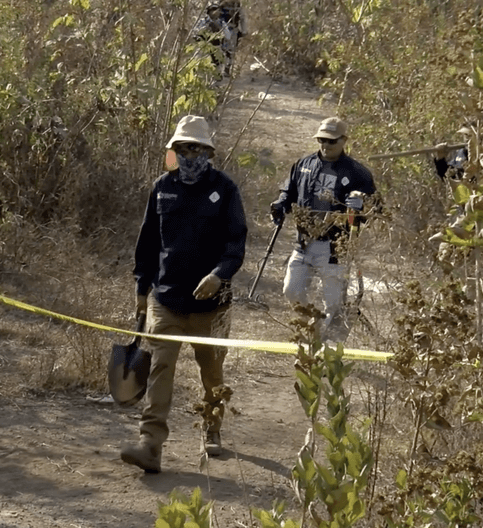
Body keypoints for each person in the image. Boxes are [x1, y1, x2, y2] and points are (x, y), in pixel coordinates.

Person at [120, 115, 248, 473]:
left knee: (211, 371)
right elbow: (147, 243)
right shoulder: (162, 187)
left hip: (211, 306)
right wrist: (141, 291)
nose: (188, 154)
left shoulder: (225, 190)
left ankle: (213, 426)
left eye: (195, 148)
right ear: (174, 151)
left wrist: (219, 276)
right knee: (161, 366)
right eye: (181, 148)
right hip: (167, 299)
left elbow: (236, 245)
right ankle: (150, 444)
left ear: (208, 151)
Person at [269, 116, 377, 342]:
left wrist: (361, 204)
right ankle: (313, 325)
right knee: (292, 290)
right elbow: (287, 192)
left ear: (344, 140)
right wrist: (280, 204)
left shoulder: (357, 173)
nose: (326, 145)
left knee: (334, 303)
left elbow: (374, 208)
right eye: (322, 140)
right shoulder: (303, 164)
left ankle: (326, 348)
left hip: (335, 247)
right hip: (304, 241)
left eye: (331, 141)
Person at [193, 2, 238, 79]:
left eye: (217, 10)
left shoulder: (221, 22)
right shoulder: (203, 21)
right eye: (214, 9)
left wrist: (220, 32)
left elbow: (228, 35)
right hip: (203, 47)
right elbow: (195, 33)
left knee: (218, 63)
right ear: (209, 11)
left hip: (216, 47)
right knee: (198, 62)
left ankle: (216, 79)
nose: (216, 12)